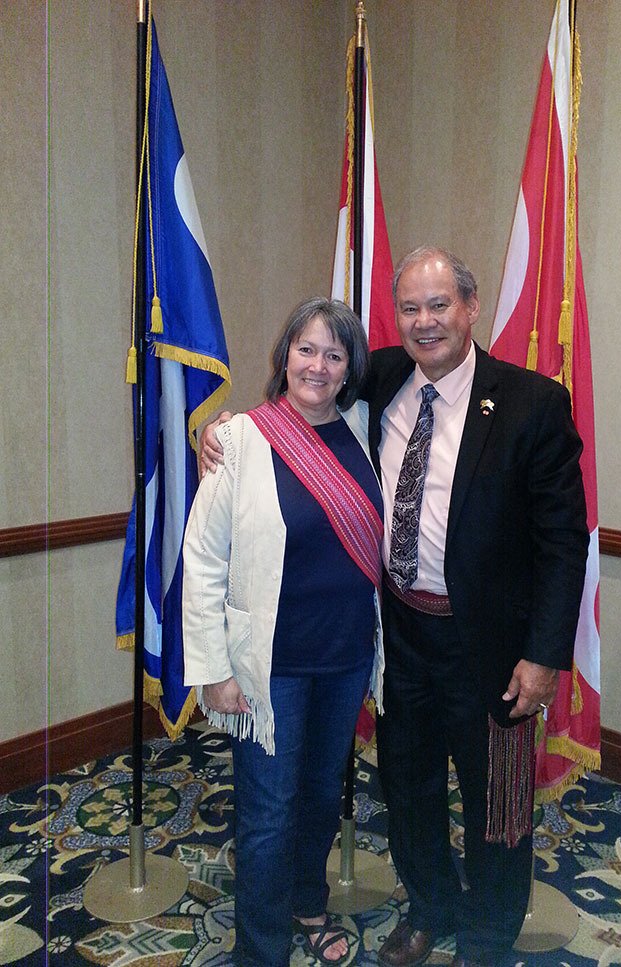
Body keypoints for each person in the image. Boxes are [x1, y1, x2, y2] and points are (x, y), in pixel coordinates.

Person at [202, 248, 589, 967]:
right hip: (401, 636)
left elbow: (563, 545)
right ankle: (429, 904)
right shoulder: (376, 378)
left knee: (495, 803)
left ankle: (485, 933)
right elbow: (298, 406)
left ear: (469, 308)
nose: (423, 321)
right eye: (409, 307)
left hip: (495, 649)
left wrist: (542, 656)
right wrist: (218, 431)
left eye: (438, 305)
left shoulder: (532, 402)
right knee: (406, 788)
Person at [183, 297, 385, 967]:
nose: (318, 365)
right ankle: (260, 949)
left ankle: (307, 902)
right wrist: (213, 668)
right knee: (268, 812)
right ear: (284, 355)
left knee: (324, 794)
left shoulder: (363, 427)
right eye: (306, 348)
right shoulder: (240, 436)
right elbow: (204, 558)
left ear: (349, 365)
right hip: (270, 666)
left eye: (334, 353)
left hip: (346, 654)